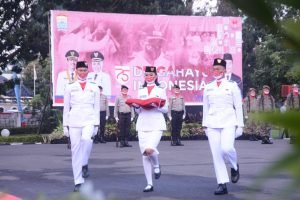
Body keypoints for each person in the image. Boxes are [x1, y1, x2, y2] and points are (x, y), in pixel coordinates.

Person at [202, 58, 244, 195]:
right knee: (217, 155)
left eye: (219, 69)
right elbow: (205, 107)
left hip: (229, 122)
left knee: (226, 148)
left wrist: (240, 125)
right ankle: (222, 183)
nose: (216, 71)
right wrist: (205, 125)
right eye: (214, 69)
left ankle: (234, 165)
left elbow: (238, 106)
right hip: (213, 123)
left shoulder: (232, 85)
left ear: (224, 70)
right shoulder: (208, 86)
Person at [63, 61, 100, 192]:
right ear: (76, 71)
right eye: (80, 70)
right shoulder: (70, 87)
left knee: (86, 139)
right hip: (74, 120)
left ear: (88, 72)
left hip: (89, 119)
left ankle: (84, 163)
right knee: (75, 151)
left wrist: (96, 124)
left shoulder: (94, 87)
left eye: (85, 70)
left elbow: (97, 107)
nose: (83, 72)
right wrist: (64, 125)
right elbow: (66, 108)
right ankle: (78, 181)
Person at [132, 66, 168, 192]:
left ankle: (157, 165)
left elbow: (165, 109)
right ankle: (149, 183)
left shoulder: (161, 90)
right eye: (146, 75)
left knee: (149, 149)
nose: (148, 77)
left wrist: (156, 105)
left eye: (151, 75)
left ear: (156, 76)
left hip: (156, 123)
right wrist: (136, 107)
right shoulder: (141, 90)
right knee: (145, 155)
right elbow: (138, 110)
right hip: (143, 124)